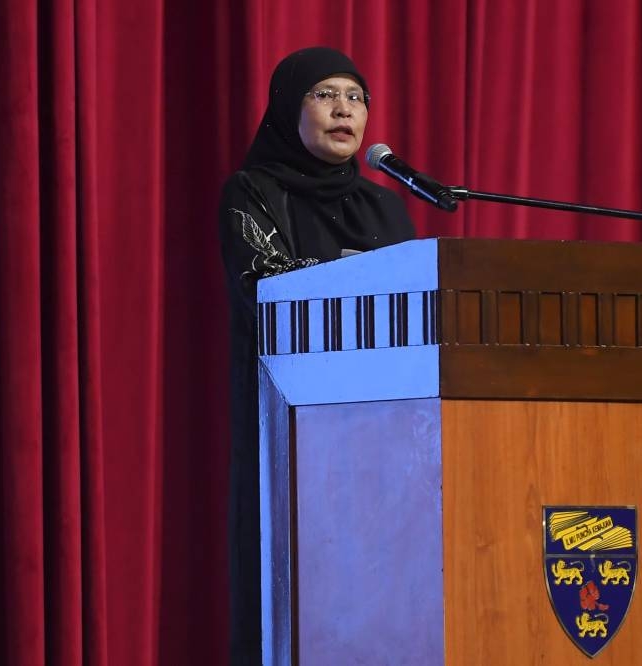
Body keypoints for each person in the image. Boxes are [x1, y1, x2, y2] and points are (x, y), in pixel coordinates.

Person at [217, 46, 415, 665]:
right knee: (294, 586)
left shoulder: (386, 205)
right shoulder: (252, 192)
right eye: (325, 94)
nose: (344, 110)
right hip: (291, 421)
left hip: (388, 426)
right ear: (286, 108)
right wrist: (352, 272)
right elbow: (267, 287)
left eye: (357, 98)